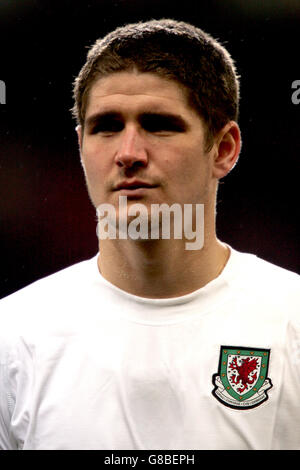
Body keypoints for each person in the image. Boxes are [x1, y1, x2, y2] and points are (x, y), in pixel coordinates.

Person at [0, 19, 299, 451]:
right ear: (80, 145)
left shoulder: (292, 321)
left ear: (225, 148)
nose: (128, 154)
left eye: (159, 124)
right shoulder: (13, 335)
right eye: (107, 126)